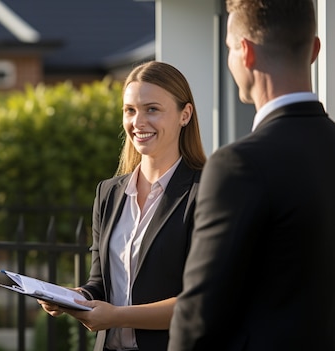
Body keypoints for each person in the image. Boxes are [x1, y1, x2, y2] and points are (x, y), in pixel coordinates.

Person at [168, 1, 335, 350]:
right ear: (315, 49)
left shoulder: (238, 165)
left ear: (245, 53)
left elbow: (197, 319)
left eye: (229, 47)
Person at [38, 60, 207, 351]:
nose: (138, 122)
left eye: (152, 109)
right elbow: (99, 285)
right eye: (130, 110)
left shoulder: (205, 192)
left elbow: (199, 302)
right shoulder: (109, 193)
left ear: (185, 114)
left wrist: (116, 316)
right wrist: (73, 297)